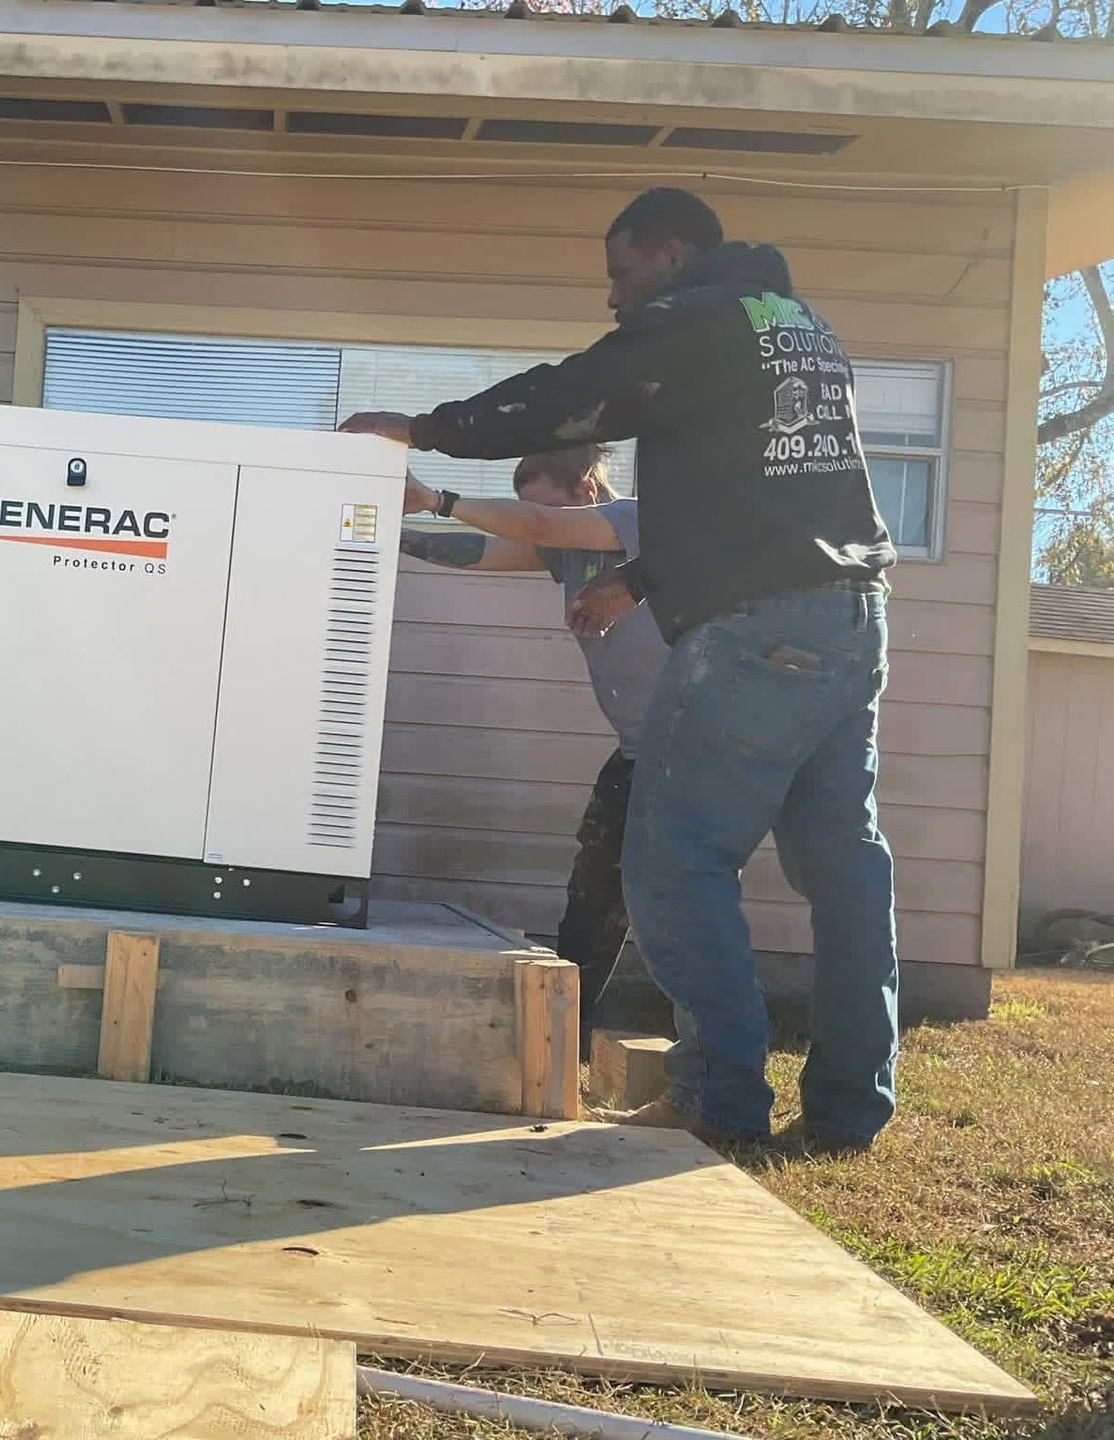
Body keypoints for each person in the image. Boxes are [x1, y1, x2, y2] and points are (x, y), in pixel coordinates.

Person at [345, 186, 898, 1151]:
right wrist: (641, 576)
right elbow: (760, 498)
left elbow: (573, 396)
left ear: (672, 254)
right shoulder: (797, 324)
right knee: (845, 868)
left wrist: (423, 429)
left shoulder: (697, 318)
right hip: (852, 617)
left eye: (622, 273)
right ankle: (851, 1110)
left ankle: (719, 1100)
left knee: (673, 857)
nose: (614, 299)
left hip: (756, 628)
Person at [398, 446, 667, 1042]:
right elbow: (483, 551)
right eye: (522, 509)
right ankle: (565, 1034)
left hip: (694, 742)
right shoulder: (568, 549)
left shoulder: (638, 521)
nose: (533, 522)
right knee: (597, 882)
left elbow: (537, 527)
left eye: (542, 509)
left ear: (588, 490)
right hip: (641, 747)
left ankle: (666, 1047)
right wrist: (396, 534)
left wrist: (437, 500)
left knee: (648, 886)